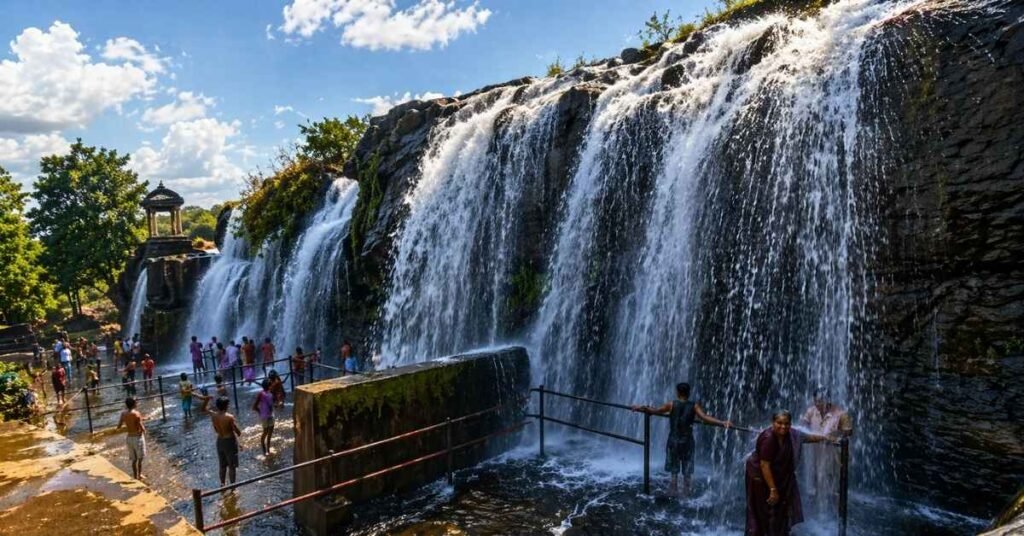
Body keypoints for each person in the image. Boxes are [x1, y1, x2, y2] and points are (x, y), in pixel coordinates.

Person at [631, 382, 733, 497]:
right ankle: (686, 493)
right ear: (689, 393)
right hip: (687, 441)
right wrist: (722, 422)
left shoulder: (671, 404)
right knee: (687, 471)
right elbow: (705, 417)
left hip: (674, 440)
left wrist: (640, 408)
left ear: (677, 392)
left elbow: (655, 410)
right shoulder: (694, 406)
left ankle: (673, 491)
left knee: (674, 471)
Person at [746, 410, 832, 536]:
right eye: (779, 423)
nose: (783, 426)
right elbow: (764, 465)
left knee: (780, 508)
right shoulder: (769, 439)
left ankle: (778, 532)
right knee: (764, 510)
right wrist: (773, 489)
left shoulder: (792, 435)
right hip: (760, 478)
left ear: (790, 424)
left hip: (778, 477)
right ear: (773, 423)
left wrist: (824, 438)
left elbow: (806, 437)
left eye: (786, 423)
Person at [799, 388, 853, 518]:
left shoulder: (841, 414)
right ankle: (815, 511)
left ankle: (836, 513)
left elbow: (848, 431)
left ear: (828, 400)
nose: (818, 404)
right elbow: (803, 425)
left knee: (832, 481)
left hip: (833, 452)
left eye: (821, 401)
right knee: (814, 479)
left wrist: (835, 434)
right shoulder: (811, 411)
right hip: (815, 450)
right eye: (816, 401)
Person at [211, 397, 242, 485]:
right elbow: (236, 431)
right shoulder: (229, 417)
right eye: (228, 404)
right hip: (229, 442)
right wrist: (239, 432)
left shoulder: (214, 416)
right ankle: (233, 487)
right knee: (232, 466)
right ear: (225, 406)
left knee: (222, 465)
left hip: (220, 441)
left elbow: (216, 430)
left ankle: (222, 484)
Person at [116, 397, 147, 479]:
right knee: (140, 458)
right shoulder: (137, 413)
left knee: (134, 459)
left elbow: (119, 426)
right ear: (134, 404)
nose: (137, 403)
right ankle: (140, 475)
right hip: (137, 437)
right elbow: (141, 427)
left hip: (129, 437)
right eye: (136, 402)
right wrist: (144, 430)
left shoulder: (123, 414)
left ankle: (135, 476)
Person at [252, 379, 275, 456]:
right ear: (268, 386)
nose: (272, 386)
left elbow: (271, 404)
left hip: (271, 415)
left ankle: (268, 449)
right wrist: (260, 412)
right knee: (265, 432)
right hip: (265, 416)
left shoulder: (270, 393)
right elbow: (254, 406)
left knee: (270, 433)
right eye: (271, 385)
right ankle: (264, 450)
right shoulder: (261, 394)